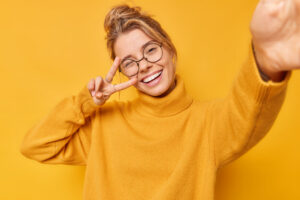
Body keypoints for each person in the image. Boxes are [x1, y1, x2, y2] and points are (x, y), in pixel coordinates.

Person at [20, 2, 298, 199]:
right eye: (129, 62)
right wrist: (85, 101)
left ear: (169, 48)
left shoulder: (207, 124)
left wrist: (265, 59)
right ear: (121, 72)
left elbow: (246, 112)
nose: (143, 66)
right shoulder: (104, 126)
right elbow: (36, 146)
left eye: (151, 50)